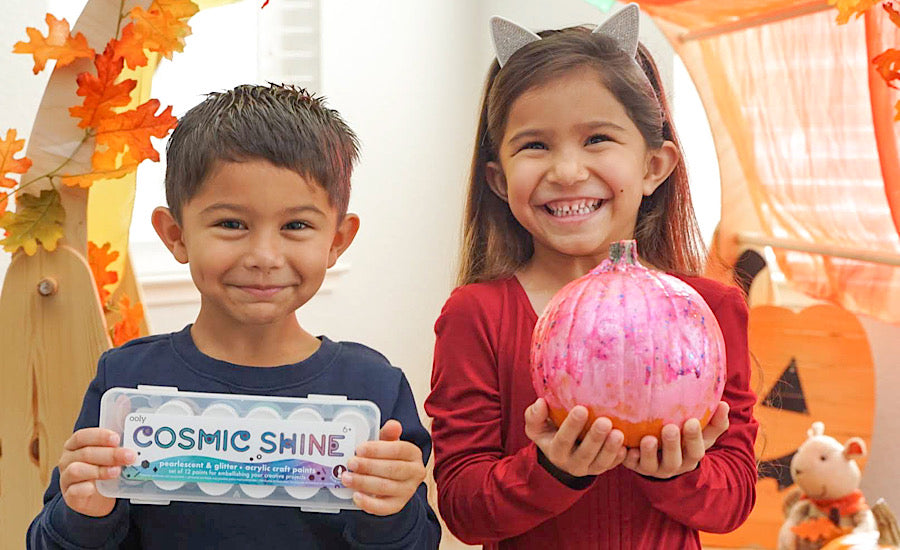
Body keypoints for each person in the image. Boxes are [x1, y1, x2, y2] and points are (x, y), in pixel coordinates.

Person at [27, 83, 441, 549]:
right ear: (175, 235)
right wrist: (83, 512)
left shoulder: (374, 391)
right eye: (231, 224)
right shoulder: (125, 382)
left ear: (337, 241)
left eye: (296, 225)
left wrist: (390, 512)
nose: (264, 256)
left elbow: (418, 542)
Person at [424, 5, 758, 549]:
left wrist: (678, 474)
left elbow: (734, 498)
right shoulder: (476, 314)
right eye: (534, 145)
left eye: (597, 138)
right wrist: (551, 471)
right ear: (499, 180)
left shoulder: (712, 310)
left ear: (653, 166)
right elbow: (463, 508)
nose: (566, 171)